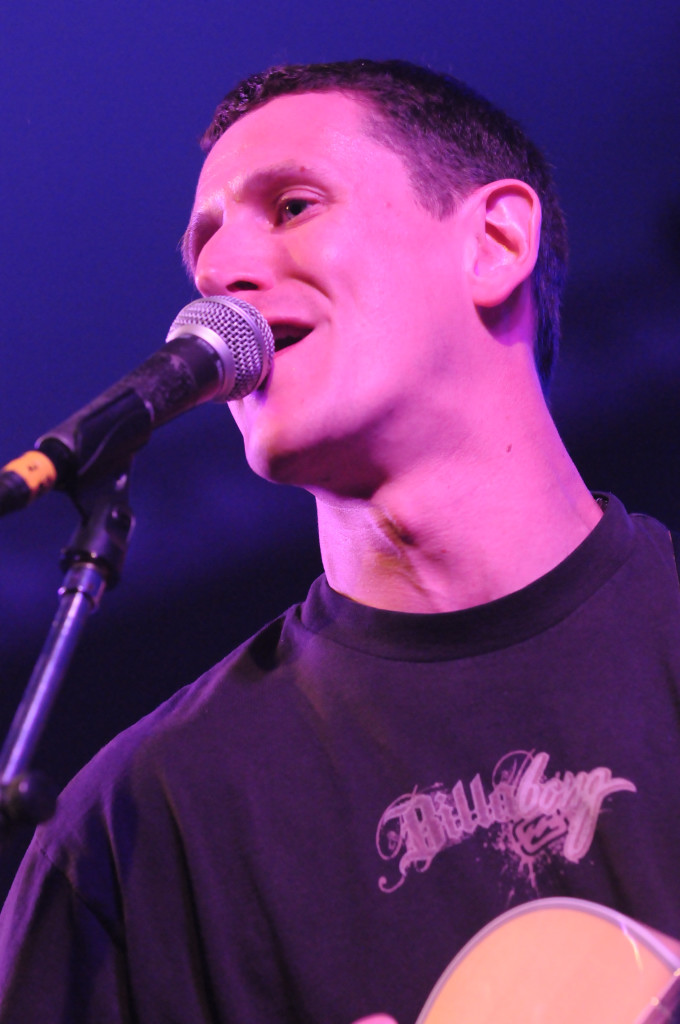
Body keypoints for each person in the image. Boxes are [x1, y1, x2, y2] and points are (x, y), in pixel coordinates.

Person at [1, 58, 680, 1024]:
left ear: (495, 242)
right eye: (203, 253)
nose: (218, 278)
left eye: (292, 207)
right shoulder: (136, 833)